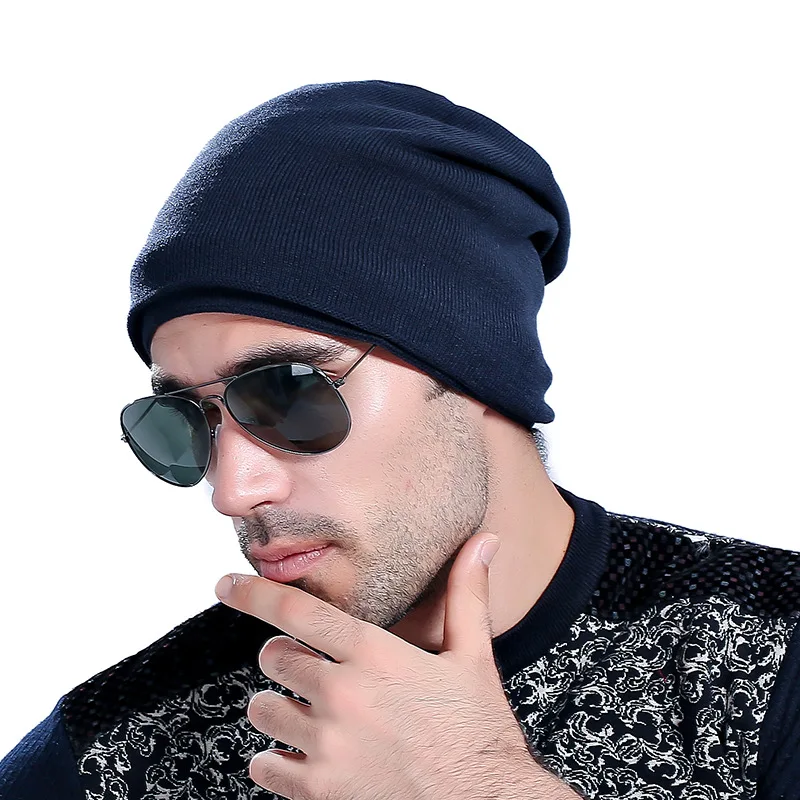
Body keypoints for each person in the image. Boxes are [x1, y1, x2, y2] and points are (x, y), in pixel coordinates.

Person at [1, 79, 798, 800]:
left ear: (473, 369)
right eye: (185, 420)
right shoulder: (120, 752)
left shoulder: (765, 655)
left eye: (288, 394)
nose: (233, 489)